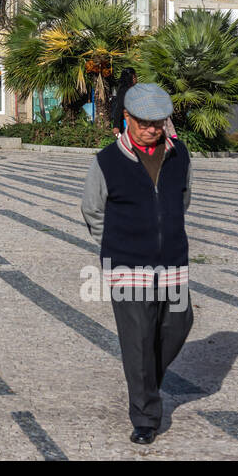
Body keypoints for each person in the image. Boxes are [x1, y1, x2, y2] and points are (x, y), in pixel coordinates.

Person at [81, 83, 193, 445]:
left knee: (178, 325)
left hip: (172, 264)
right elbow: (92, 210)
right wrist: (116, 244)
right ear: (127, 118)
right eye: (143, 122)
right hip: (127, 267)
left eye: (157, 122)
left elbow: (183, 199)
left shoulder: (181, 156)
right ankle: (145, 417)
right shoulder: (106, 161)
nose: (151, 128)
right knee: (139, 338)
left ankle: (144, 381)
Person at [108, 69, 137, 136]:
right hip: (127, 124)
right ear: (129, 78)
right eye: (134, 77)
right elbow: (119, 108)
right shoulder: (124, 91)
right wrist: (116, 126)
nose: (136, 79)